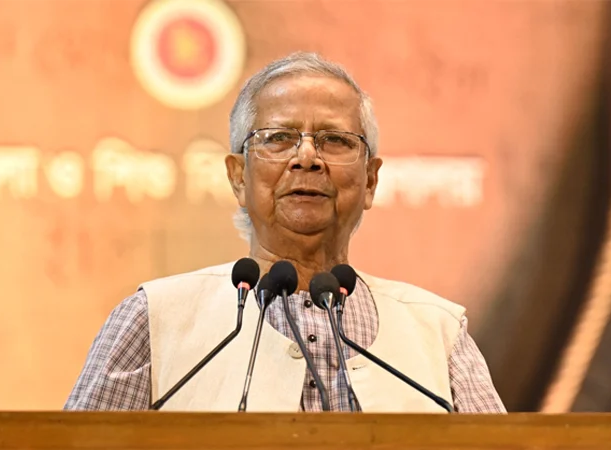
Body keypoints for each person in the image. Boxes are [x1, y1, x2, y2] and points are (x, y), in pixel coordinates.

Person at [65, 52, 505, 413]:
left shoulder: (438, 333)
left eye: (335, 140)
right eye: (278, 138)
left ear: (370, 180)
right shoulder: (155, 319)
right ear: (238, 177)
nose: (307, 157)